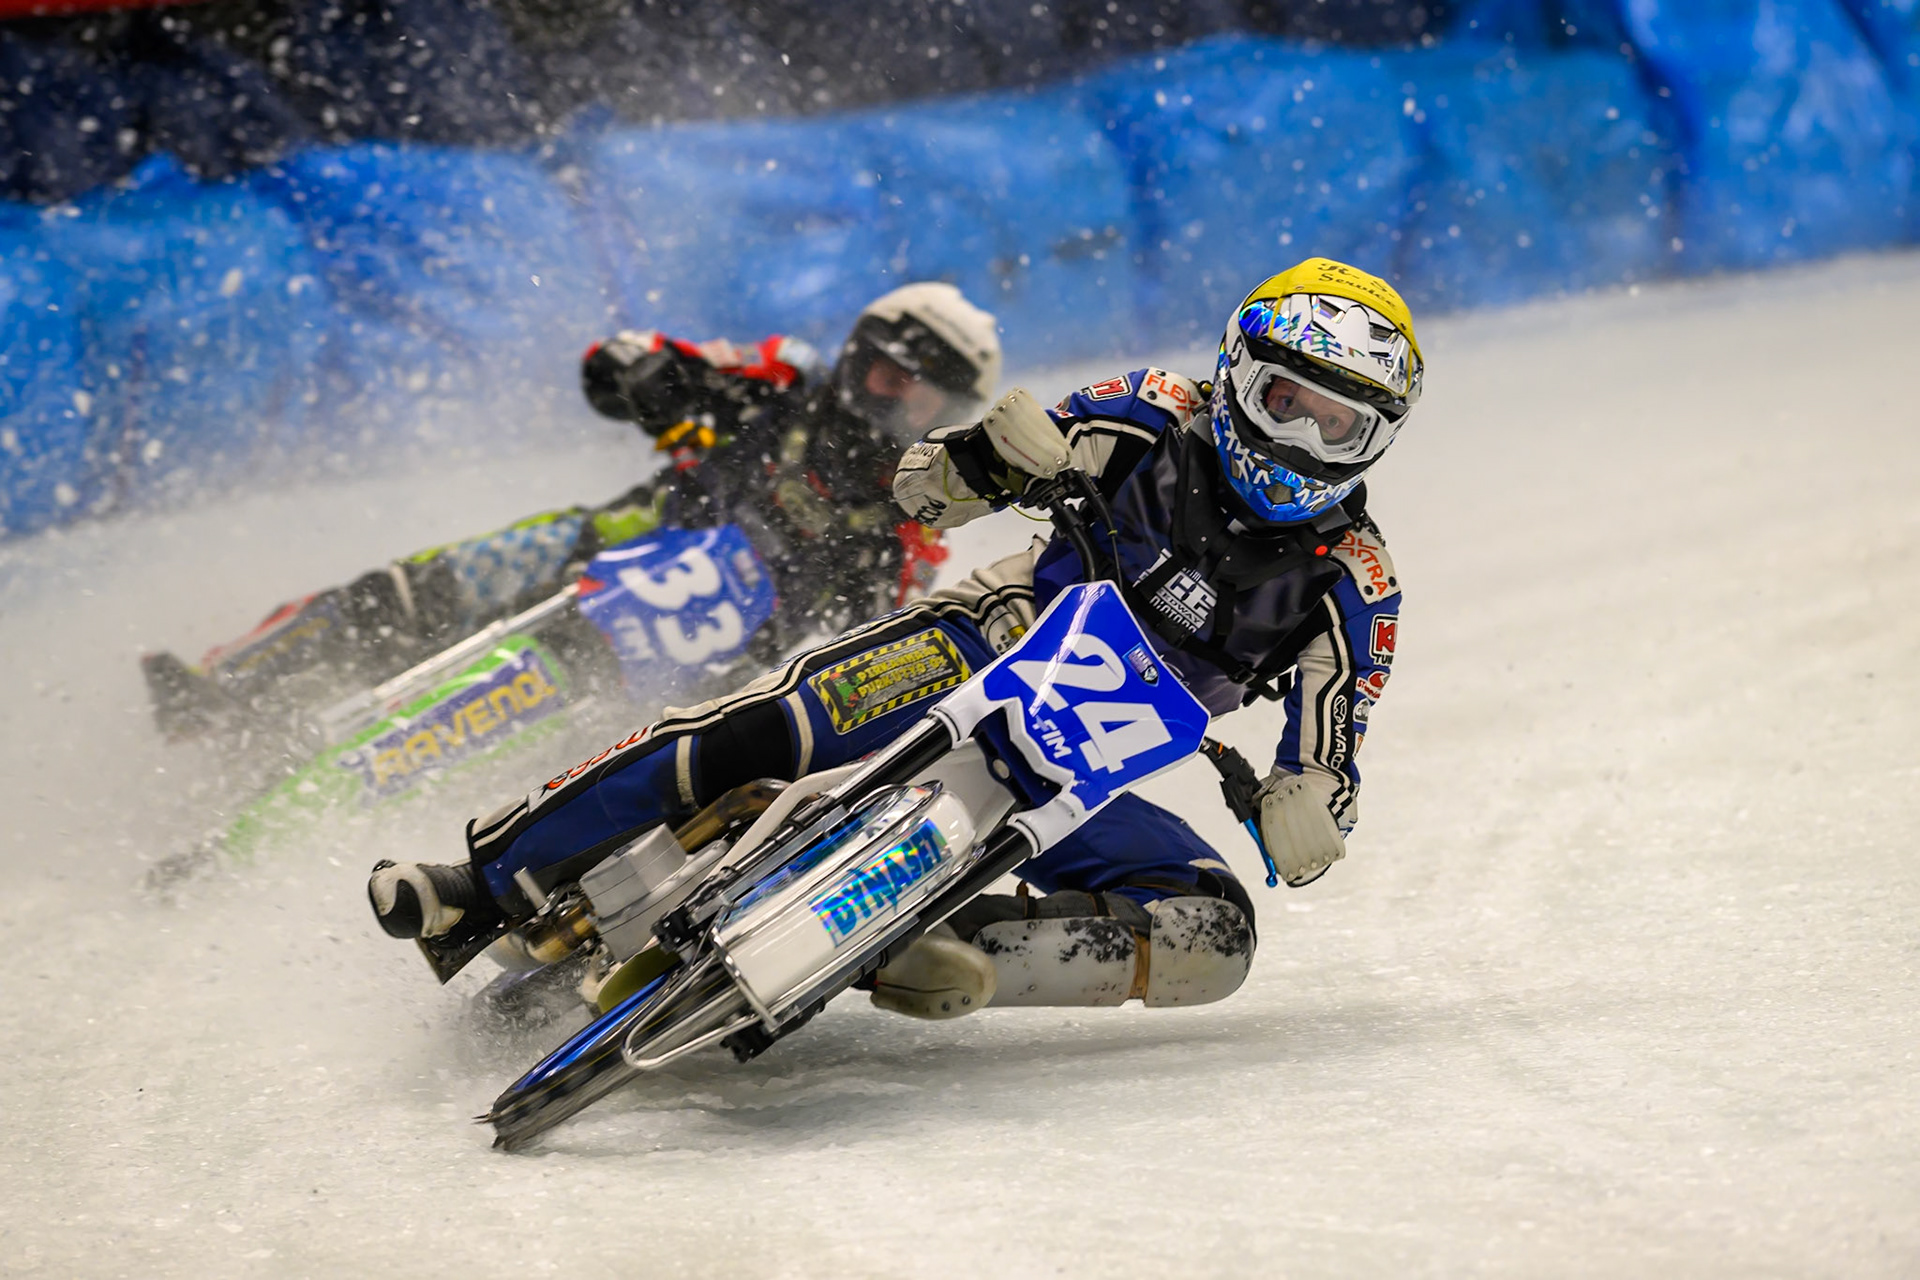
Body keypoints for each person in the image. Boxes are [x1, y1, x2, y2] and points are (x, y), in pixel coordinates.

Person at [368, 258, 1420, 1018]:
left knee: (1215, 930)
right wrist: (988, 459)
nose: (1301, 442)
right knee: (769, 724)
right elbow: (934, 483)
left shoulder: (1355, 586)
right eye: (1288, 402)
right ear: (1240, 372)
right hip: (982, 644)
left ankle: (951, 945)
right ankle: (484, 880)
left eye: (1340, 427)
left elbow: (1330, 751)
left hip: (1086, 771)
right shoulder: (1146, 412)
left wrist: (1310, 806)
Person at [140, 283, 1003, 743]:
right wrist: (652, 380)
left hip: (668, 648)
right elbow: (620, 367)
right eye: (875, 365)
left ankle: (345, 793)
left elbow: (849, 657)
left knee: (517, 720)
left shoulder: (912, 520)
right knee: (410, 592)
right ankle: (222, 689)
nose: (880, 390)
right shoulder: (780, 380)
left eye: (907, 385)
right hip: (615, 534)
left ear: (942, 409)